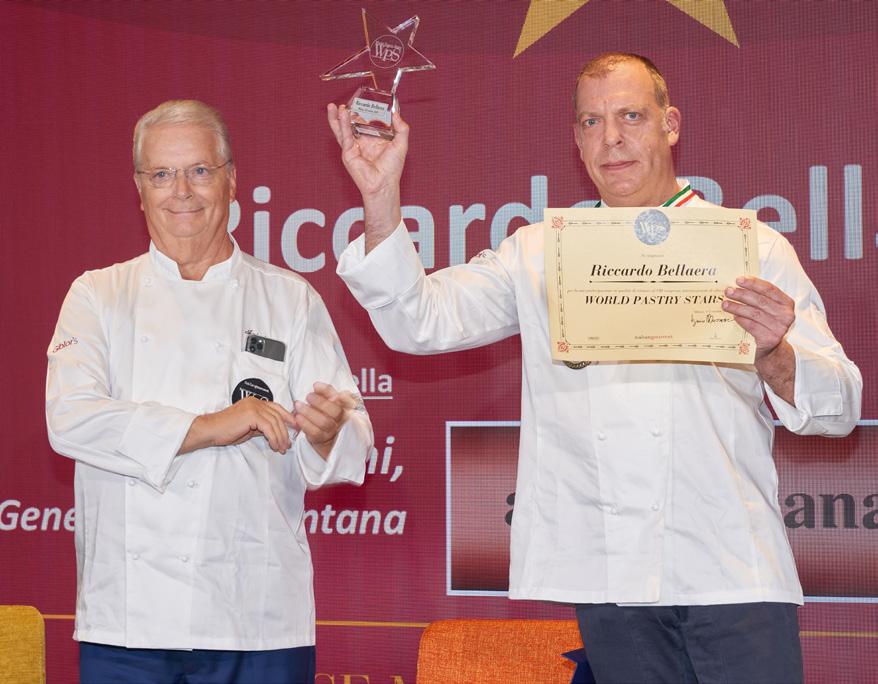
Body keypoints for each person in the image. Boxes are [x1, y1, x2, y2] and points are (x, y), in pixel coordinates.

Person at [328, 54, 862, 683]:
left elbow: (840, 405)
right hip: (609, 577)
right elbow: (419, 320)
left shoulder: (749, 246)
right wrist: (380, 195)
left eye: (631, 116)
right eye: (591, 121)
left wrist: (775, 353)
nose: (611, 138)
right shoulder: (538, 254)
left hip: (732, 570)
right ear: (576, 139)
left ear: (670, 124)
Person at [46, 99, 372, 684]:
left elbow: (350, 432)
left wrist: (328, 432)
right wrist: (211, 426)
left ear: (231, 179)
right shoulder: (97, 295)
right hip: (129, 621)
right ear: (139, 188)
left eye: (199, 170)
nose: (182, 192)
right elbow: (70, 419)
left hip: (258, 618)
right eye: (161, 174)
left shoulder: (289, 299)